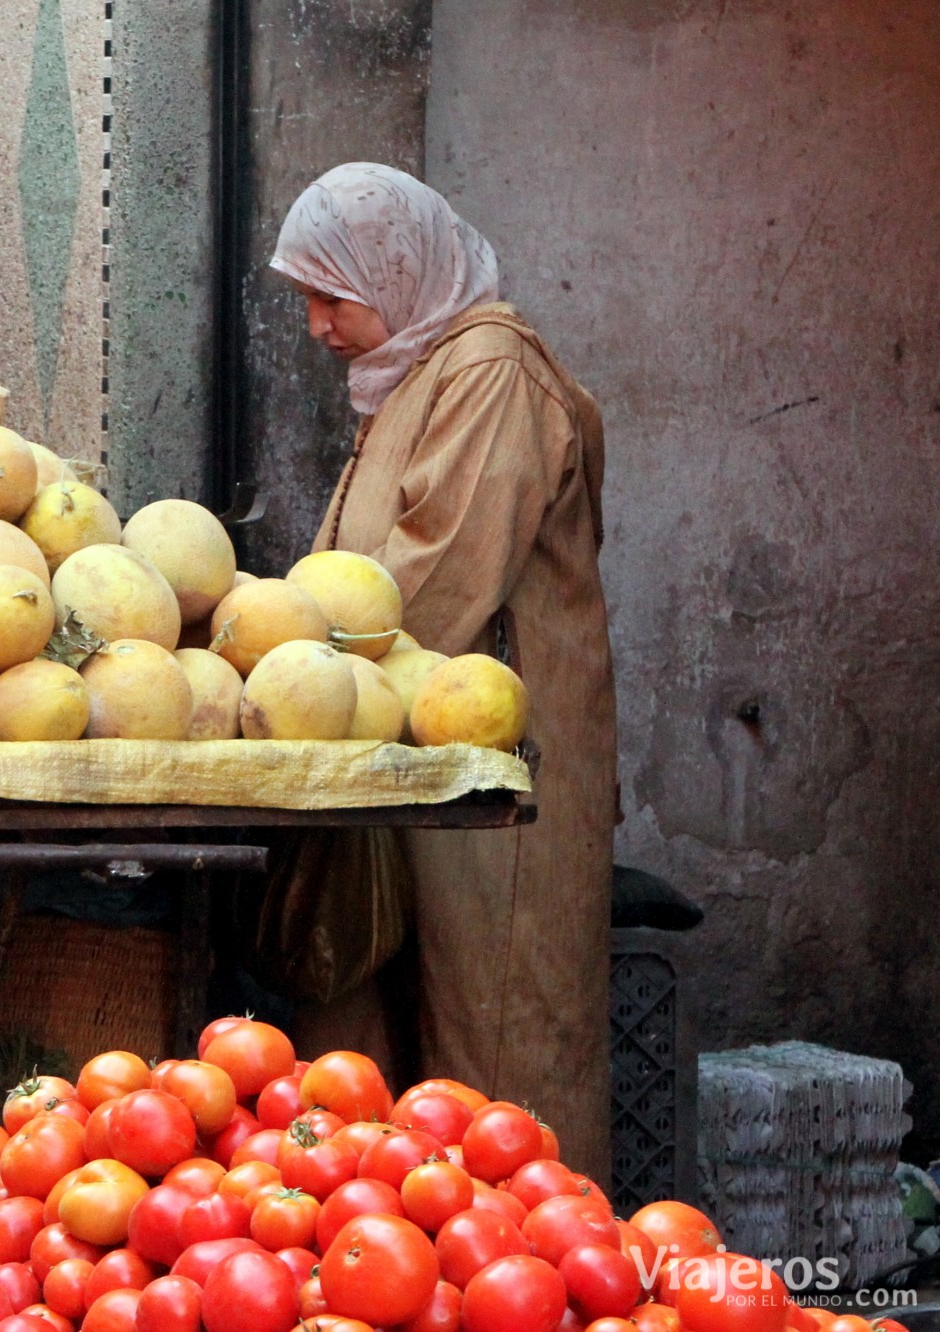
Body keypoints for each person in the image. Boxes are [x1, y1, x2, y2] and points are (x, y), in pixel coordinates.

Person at [269, 163, 617, 1179]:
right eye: (305, 299)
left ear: (395, 271)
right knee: (389, 1062)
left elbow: (433, 580)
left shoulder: (487, 369)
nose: (315, 325)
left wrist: (282, 660)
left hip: (498, 766)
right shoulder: (413, 375)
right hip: (418, 758)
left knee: (498, 1050)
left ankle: (535, 1282)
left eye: (329, 296)